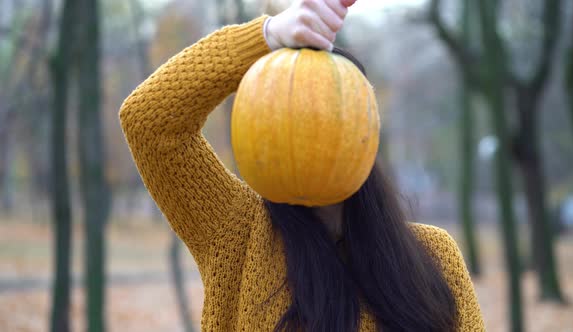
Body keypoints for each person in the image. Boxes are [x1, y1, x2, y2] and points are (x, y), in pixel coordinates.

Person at [119, 0, 485, 331]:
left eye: (326, 113)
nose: (303, 131)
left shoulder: (434, 257)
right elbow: (147, 122)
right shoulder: (235, 232)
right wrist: (265, 37)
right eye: (280, 113)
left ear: (364, 129)